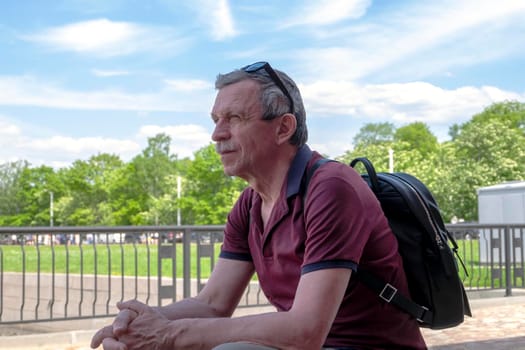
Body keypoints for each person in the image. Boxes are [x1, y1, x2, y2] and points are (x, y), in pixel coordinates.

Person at [91, 61, 427, 350]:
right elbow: (212, 303)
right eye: (215, 120)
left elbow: (304, 331)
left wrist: (168, 334)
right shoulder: (249, 205)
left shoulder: (331, 188)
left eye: (234, 118)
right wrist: (137, 325)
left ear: (283, 127)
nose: (217, 135)